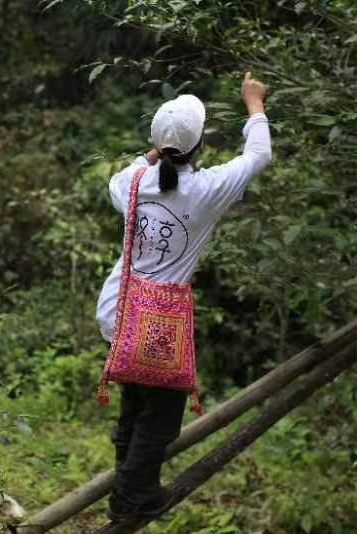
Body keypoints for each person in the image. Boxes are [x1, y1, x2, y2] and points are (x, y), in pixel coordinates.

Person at [95, 72, 271, 522]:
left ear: (157, 145)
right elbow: (259, 154)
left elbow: (138, 166)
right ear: (200, 146)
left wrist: (155, 151)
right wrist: (254, 104)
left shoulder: (132, 182)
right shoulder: (207, 190)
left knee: (136, 407)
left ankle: (130, 490)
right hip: (156, 322)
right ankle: (131, 503)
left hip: (118, 311)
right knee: (160, 418)